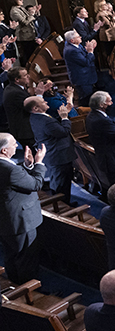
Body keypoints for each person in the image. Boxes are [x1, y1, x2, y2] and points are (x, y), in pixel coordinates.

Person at [0, 132, 45, 285]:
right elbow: (36, 184)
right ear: (4, 151)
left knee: (12, 256)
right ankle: (29, 293)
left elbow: (15, 181)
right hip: (21, 222)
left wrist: (27, 166)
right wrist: (39, 163)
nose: (17, 146)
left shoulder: (8, 168)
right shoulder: (10, 170)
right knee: (26, 260)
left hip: (6, 220)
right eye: (13, 144)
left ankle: (15, 285)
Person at [27, 94, 75, 203]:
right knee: (61, 182)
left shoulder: (36, 117)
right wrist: (64, 118)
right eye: (43, 102)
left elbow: (54, 127)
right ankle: (62, 206)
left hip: (52, 153)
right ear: (35, 108)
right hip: (59, 156)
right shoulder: (45, 121)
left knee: (59, 180)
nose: (46, 102)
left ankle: (64, 202)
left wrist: (64, 114)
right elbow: (63, 132)